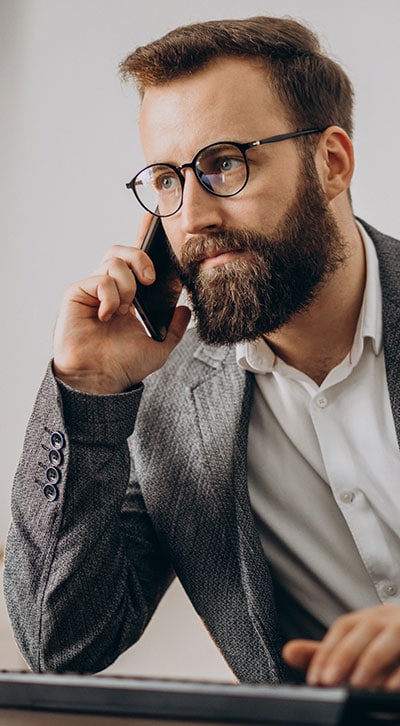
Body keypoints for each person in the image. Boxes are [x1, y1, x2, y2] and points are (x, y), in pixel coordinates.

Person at [4, 15, 400, 690]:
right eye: (166, 178)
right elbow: (62, 642)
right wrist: (89, 388)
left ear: (331, 164)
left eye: (224, 165)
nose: (191, 216)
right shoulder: (161, 399)